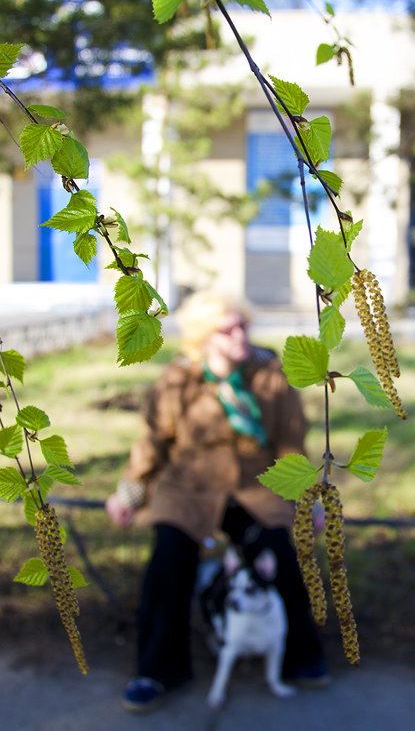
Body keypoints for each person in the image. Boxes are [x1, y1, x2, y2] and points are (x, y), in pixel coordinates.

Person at [105, 291, 329, 712]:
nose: (239, 335)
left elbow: (291, 444)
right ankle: (157, 669)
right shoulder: (178, 380)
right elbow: (152, 443)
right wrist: (129, 494)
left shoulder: (270, 375)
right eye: (227, 330)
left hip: (257, 486)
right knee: (169, 561)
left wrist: (308, 502)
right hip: (189, 488)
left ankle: (302, 656)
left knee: (280, 552)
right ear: (203, 337)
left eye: (243, 325)